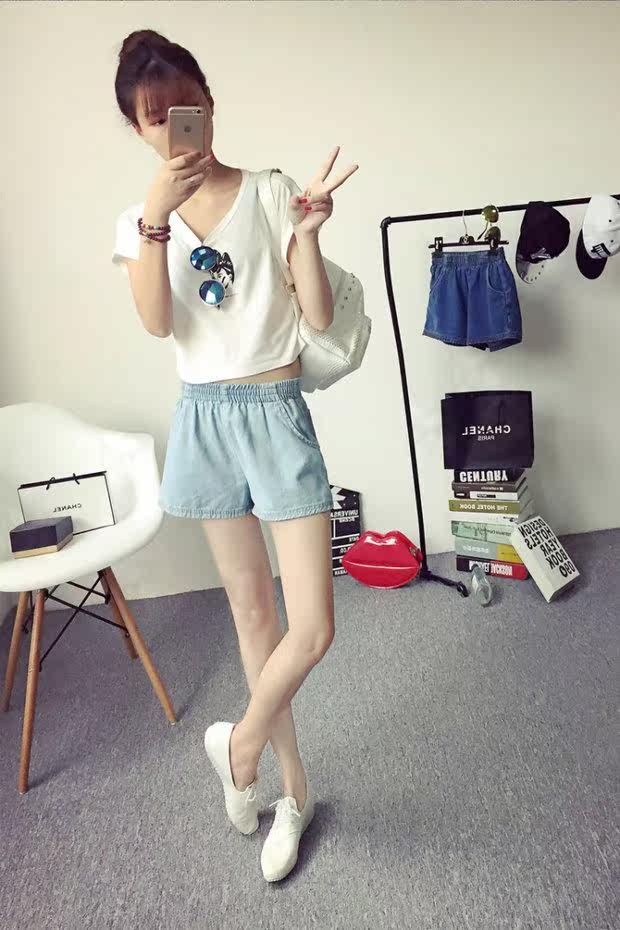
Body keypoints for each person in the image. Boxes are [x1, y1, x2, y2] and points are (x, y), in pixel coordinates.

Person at [112, 29, 358, 882]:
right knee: (253, 619)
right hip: (207, 419)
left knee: (311, 626)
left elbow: (317, 318)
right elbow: (157, 323)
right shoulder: (137, 222)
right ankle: (291, 792)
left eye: (189, 105)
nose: (179, 126)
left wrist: (308, 234)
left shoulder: (272, 190)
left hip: (276, 412)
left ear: (210, 103)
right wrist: (155, 218)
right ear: (138, 130)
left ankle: (239, 746)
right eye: (157, 118)